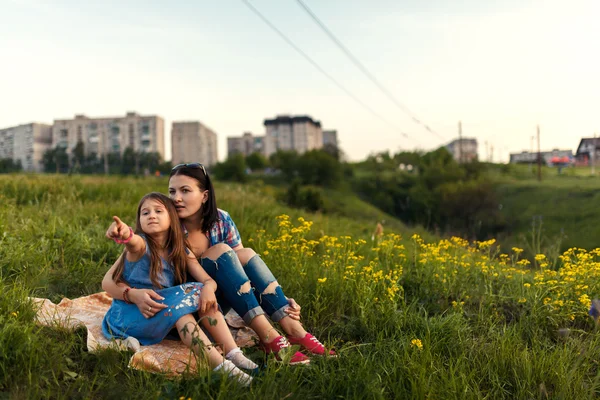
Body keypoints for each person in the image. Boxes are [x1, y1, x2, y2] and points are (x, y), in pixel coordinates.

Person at [167, 163, 335, 364]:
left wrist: (276, 299)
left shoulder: (221, 219)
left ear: (204, 196)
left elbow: (241, 273)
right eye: (172, 191)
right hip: (190, 308)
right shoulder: (165, 225)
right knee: (222, 250)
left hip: (220, 300)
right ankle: (269, 337)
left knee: (244, 254)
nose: (176, 198)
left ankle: (294, 329)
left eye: (185, 191)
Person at [102, 192, 255, 385]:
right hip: (131, 312)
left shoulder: (181, 249)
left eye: (158, 211)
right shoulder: (141, 246)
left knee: (197, 294)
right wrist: (125, 234)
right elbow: (133, 243)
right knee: (182, 310)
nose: (151, 215)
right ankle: (224, 369)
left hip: (158, 308)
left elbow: (206, 280)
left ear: (172, 218)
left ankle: (234, 353)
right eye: (145, 212)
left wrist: (208, 287)